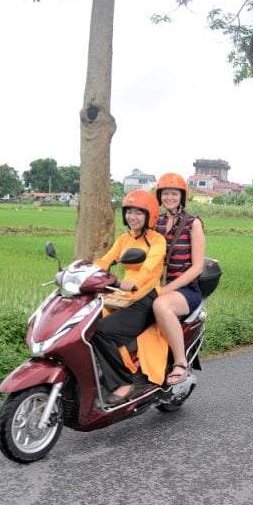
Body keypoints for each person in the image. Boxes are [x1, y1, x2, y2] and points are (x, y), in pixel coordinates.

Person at [92, 190, 166, 405]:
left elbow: (149, 268)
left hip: (145, 299)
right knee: (84, 324)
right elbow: (106, 260)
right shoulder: (124, 239)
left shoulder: (157, 241)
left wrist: (133, 282)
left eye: (138, 213)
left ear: (149, 215)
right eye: (129, 212)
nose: (132, 217)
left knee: (102, 332)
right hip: (122, 297)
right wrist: (83, 272)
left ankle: (124, 382)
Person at [152, 173, 206, 385]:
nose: (169, 197)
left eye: (174, 193)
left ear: (182, 197)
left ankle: (180, 362)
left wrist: (167, 289)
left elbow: (197, 267)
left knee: (161, 306)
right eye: (165, 193)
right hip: (156, 286)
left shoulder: (193, 223)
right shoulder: (156, 221)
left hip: (185, 290)